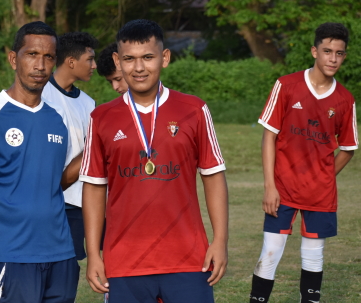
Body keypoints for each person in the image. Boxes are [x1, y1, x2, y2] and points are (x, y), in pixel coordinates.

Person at [81, 19, 229, 303]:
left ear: (164, 58)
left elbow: (213, 176)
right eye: (129, 59)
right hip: (124, 261)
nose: (139, 68)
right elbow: (94, 187)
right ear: (117, 60)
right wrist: (93, 254)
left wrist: (220, 241)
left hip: (188, 258)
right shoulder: (101, 118)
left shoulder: (194, 110)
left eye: (148, 57)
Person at [0, 21, 78, 303]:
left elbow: (56, 180)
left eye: (48, 57)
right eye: (32, 54)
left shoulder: (58, 118)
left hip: (61, 253)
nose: (40, 65)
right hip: (10, 254)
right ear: (14, 58)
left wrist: (95, 149)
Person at [249, 22, 357, 303]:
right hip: (282, 188)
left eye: (339, 53)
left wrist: (324, 176)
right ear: (314, 51)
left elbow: (348, 148)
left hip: (319, 193)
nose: (333, 58)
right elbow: (268, 137)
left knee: (313, 254)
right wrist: (269, 186)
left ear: (344, 56)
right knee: (270, 251)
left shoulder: (345, 100)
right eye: (327, 51)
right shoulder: (286, 85)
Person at [42, 31, 98, 266]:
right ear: (71, 62)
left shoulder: (88, 102)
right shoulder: (41, 95)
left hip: (78, 201)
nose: (94, 65)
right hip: (47, 200)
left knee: (68, 268)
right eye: (90, 59)